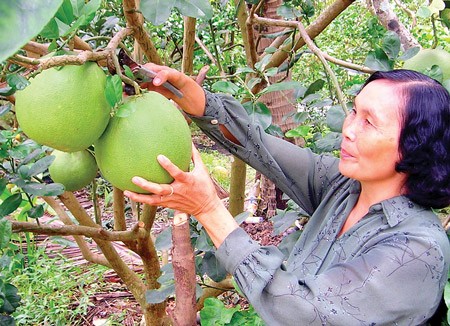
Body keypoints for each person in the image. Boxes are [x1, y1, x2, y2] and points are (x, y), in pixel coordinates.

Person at [124, 67, 450, 325]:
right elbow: (260, 147)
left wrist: (208, 209)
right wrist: (190, 96)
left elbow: (303, 312)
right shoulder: (344, 186)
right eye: (353, 111)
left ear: (414, 147)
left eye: (369, 122)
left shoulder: (420, 250)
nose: (348, 129)